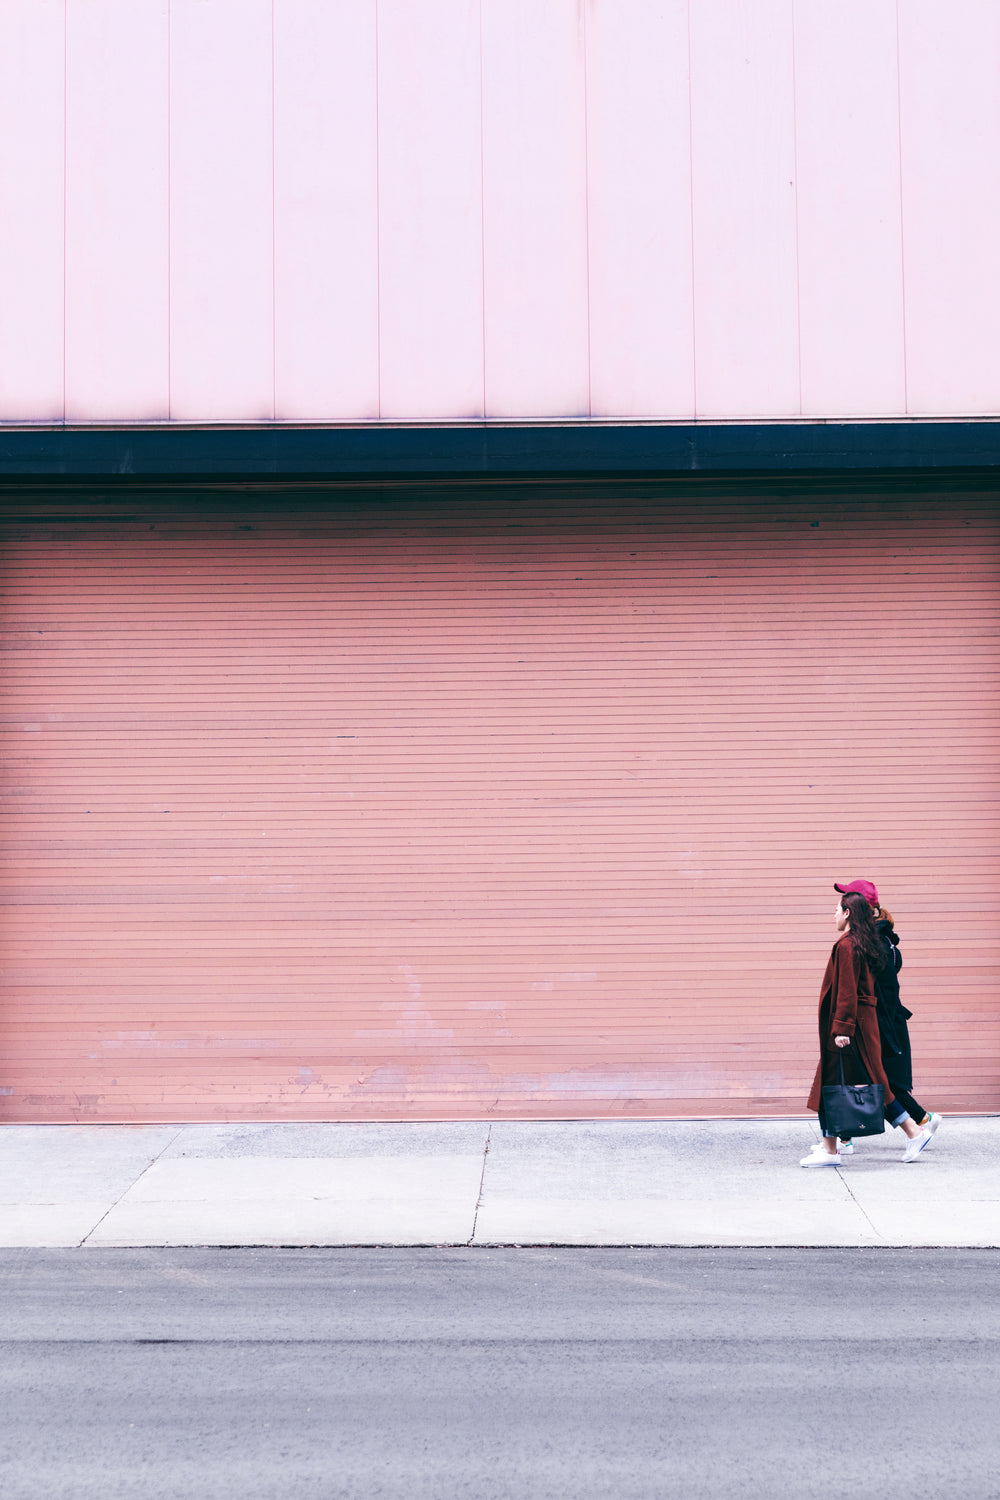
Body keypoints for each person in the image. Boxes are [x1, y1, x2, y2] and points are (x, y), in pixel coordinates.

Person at [802, 883, 934, 1166]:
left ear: (848, 912)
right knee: (860, 1081)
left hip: (853, 1027)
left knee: (836, 1081)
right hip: (861, 1024)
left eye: (836, 909)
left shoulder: (848, 946)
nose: (833, 914)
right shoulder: (865, 942)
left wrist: (842, 1029)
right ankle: (833, 1146)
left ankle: (834, 1150)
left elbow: (848, 990)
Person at [836, 886, 942, 1155]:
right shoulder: (878, 940)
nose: (837, 910)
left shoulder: (873, 944)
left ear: (856, 909)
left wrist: (849, 1025)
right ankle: (917, 1122)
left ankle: (917, 1124)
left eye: (845, 903)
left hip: (878, 1023)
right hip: (877, 1021)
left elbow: (864, 991)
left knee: (873, 1079)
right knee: (864, 1077)